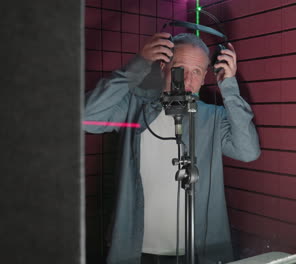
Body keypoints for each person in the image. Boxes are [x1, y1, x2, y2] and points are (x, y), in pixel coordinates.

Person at [84, 32, 261, 264]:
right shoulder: (135, 108)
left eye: (196, 72)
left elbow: (248, 152)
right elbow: (86, 117)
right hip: (137, 251)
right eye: (180, 69)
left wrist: (229, 87)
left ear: (205, 76)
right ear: (163, 67)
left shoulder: (213, 118)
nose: (187, 80)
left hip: (199, 252)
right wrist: (136, 67)